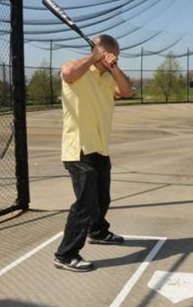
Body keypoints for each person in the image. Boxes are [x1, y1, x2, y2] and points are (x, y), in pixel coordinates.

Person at [53, 35, 133, 272]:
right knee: (85, 204)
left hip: (100, 147)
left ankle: (97, 232)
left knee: (102, 198)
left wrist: (114, 67)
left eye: (116, 56)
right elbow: (68, 73)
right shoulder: (76, 70)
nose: (114, 58)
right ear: (98, 51)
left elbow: (127, 91)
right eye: (111, 54)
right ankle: (65, 255)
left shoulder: (108, 78)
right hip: (78, 149)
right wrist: (93, 57)